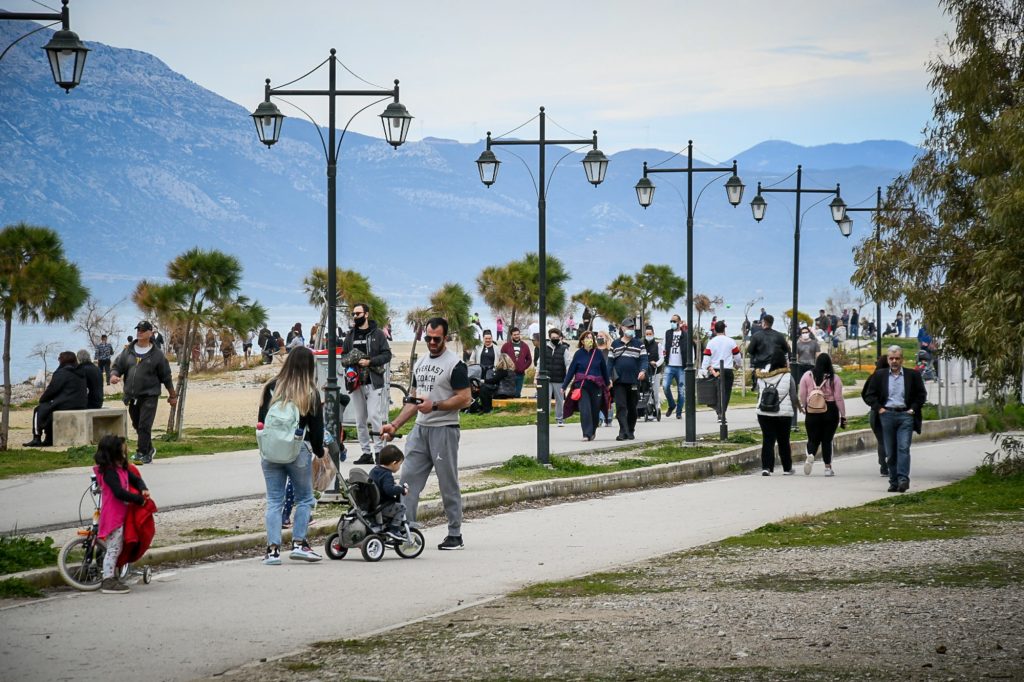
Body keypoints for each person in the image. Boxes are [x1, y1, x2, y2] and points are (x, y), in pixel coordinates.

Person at [381, 317, 472, 551]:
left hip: (445, 430)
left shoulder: (455, 364)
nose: (431, 342)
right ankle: (405, 530)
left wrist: (436, 406)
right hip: (420, 430)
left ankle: (455, 533)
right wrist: (395, 425)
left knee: (447, 483)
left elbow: (465, 398)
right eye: (428, 338)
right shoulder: (420, 363)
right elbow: (413, 400)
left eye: (436, 339)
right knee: (407, 481)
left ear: (446, 338)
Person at [257, 346, 324, 564]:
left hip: (270, 451)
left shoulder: (271, 387)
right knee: (305, 498)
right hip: (297, 451)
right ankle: (299, 544)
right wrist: (320, 451)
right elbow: (317, 430)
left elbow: (262, 420)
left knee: (274, 501)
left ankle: (273, 550)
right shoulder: (310, 392)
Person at [110, 321, 178, 465]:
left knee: (144, 425)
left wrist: (172, 395)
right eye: (138, 329)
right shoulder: (128, 351)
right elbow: (117, 366)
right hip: (132, 396)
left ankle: (141, 452)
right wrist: (113, 375)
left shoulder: (157, 355)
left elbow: (166, 376)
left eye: (142, 330)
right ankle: (150, 449)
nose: (139, 332)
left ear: (150, 333)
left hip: (150, 395)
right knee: (137, 424)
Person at [862, 345, 927, 493]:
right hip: (887, 416)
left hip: (905, 416)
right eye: (891, 358)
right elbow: (869, 395)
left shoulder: (912, 375)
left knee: (903, 447)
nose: (894, 361)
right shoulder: (880, 376)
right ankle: (893, 480)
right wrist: (880, 409)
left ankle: (903, 479)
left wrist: (913, 409)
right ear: (887, 359)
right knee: (890, 451)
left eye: (897, 358)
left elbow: (921, 395)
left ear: (902, 359)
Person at [93, 435, 150, 594]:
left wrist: (143, 488)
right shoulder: (110, 473)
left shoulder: (121, 469)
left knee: (116, 546)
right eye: (122, 452)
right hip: (113, 516)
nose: (125, 454)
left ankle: (112, 575)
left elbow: (136, 479)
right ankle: (108, 580)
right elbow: (119, 493)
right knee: (114, 548)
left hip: (121, 515)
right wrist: (138, 500)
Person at [342, 303, 393, 466]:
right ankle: (365, 452)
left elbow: (387, 355)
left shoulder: (377, 334)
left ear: (366, 314)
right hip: (355, 383)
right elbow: (343, 356)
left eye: (358, 313)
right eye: (353, 314)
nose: (355, 316)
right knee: (360, 419)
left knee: (374, 416)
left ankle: (378, 451)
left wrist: (370, 361)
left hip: (373, 382)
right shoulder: (350, 335)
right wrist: (351, 360)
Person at [23, 351, 87, 447]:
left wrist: (43, 399)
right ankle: (49, 437)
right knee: (50, 410)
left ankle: (37, 437)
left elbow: (52, 389)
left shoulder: (62, 373)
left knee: (39, 410)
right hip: (80, 403)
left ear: (62, 361)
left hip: (67, 404)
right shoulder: (81, 372)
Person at [799, 353, 847, 476]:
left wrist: (805, 407)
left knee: (812, 438)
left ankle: (810, 455)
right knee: (827, 440)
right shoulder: (834, 378)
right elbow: (838, 398)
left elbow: (802, 394)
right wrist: (843, 415)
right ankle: (827, 468)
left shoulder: (807, 375)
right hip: (830, 410)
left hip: (812, 410)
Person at [755, 355, 800, 475]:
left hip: (763, 413)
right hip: (783, 414)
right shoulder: (788, 376)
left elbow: (758, 393)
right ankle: (787, 468)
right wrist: (798, 408)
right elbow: (794, 396)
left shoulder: (761, 377)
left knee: (767, 440)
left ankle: (766, 468)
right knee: (783, 441)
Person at [562, 330, 610, 442]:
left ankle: (592, 430)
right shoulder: (578, 354)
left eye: (591, 337)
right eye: (586, 338)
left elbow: (604, 370)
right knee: (585, 409)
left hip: (596, 385)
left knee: (595, 410)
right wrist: (564, 386)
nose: (589, 339)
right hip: (582, 386)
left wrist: (607, 384)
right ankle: (586, 433)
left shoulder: (598, 353)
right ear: (582, 341)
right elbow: (571, 371)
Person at [609, 318, 648, 441]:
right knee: (621, 406)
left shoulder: (639, 344)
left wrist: (643, 371)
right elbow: (609, 363)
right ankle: (623, 431)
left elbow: (644, 360)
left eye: (632, 327)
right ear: (622, 328)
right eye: (628, 327)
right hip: (619, 381)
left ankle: (630, 429)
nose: (631, 329)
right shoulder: (615, 344)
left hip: (633, 381)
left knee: (632, 407)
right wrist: (609, 378)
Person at [701, 321, 741, 422]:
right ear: (724, 329)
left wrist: (703, 369)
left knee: (715, 392)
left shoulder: (711, 342)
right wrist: (737, 365)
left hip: (715, 370)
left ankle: (719, 412)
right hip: (727, 370)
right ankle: (722, 412)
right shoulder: (731, 341)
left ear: (714, 330)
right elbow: (737, 356)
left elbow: (706, 357)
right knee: (726, 392)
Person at [369, 444, 409, 539]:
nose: (399, 467)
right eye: (399, 464)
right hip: (382, 505)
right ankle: (394, 529)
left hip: (372, 503)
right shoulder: (387, 475)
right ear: (394, 463)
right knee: (401, 507)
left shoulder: (375, 470)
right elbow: (389, 490)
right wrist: (402, 489)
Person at [861, 355, 891, 477]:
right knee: (890, 439)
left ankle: (883, 465)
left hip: (875, 413)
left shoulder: (873, 377)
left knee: (881, 440)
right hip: (889, 412)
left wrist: (874, 405)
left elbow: (864, 394)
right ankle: (890, 463)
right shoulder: (892, 377)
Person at [538, 328, 571, 426]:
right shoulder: (544, 348)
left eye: (557, 337)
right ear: (549, 337)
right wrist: (537, 375)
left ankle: (560, 419)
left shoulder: (564, 349)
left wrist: (567, 378)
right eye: (553, 337)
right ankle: (544, 419)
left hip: (559, 379)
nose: (555, 339)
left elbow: (568, 364)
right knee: (545, 399)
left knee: (560, 400)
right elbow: (540, 362)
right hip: (546, 379)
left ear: (560, 337)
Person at [746, 314, 791, 387]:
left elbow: (750, 351)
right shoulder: (779, 336)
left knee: (762, 387)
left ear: (763, 322)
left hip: (761, 366)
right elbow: (786, 350)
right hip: (776, 366)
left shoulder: (757, 336)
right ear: (772, 323)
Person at [662, 315, 687, 419]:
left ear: (679, 322)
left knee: (681, 390)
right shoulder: (668, 333)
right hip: (670, 365)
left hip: (681, 366)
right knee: (665, 386)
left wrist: (689, 364)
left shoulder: (685, 335)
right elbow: (663, 347)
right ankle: (672, 404)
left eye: (674, 321)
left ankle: (679, 412)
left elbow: (690, 350)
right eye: (671, 321)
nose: (672, 322)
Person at [500, 327, 532, 398]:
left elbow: (529, 359)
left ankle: (517, 408)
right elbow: (502, 359)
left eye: (518, 334)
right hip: (509, 374)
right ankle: (510, 408)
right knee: (509, 393)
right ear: (511, 336)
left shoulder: (525, 346)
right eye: (514, 335)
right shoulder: (506, 346)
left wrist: (523, 367)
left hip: (520, 374)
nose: (516, 336)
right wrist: (506, 369)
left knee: (517, 393)